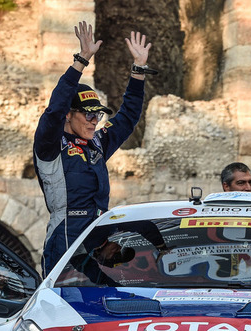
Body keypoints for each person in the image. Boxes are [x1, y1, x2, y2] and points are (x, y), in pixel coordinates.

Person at [34, 21, 154, 276]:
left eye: (97, 116)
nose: (93, 121)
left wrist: (138, 70)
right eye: (87, 115)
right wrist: (81, 60)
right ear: (69, 115)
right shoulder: (50, 144)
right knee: (63, 304)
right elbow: (54, 109)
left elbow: (128, 117)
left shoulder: (97, 143)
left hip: (99, 232)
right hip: (67, 232)